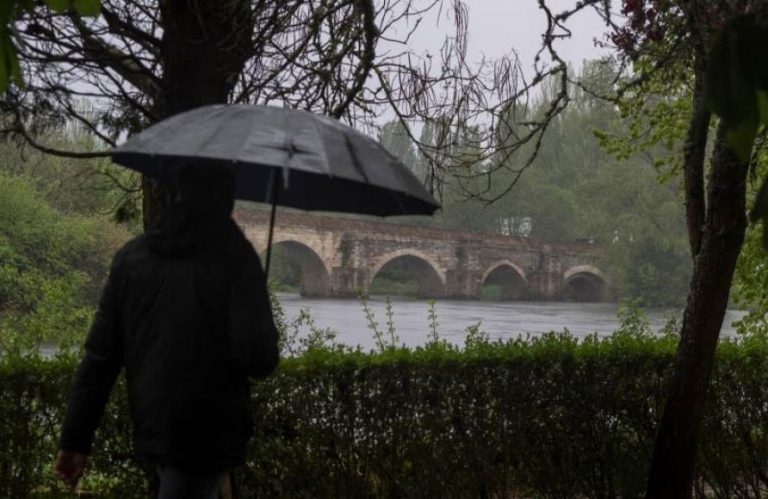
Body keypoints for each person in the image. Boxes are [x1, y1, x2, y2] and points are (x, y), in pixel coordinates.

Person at [53, 164, 280, 498]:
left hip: (152, 425)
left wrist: (74, 440)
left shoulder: (132, 256)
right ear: (227, 196)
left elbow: (100, 358)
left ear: (177, 192)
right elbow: (260, 359)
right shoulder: (236, 258)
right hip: (209, 434)